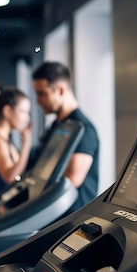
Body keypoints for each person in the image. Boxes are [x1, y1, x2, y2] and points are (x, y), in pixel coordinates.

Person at [31, 61, 99, 213]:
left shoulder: (84, 129)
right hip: (52, 215)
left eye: (42, 94)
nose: (37, 100)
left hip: (72, 221)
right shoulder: (57, 126)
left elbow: (71, 181)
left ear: (60, 90)